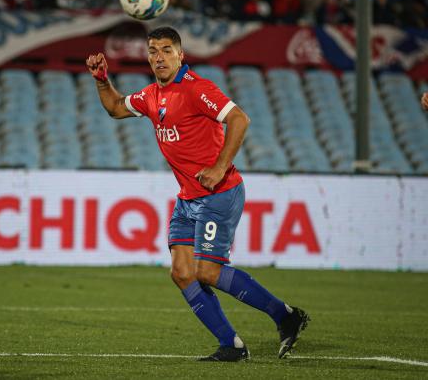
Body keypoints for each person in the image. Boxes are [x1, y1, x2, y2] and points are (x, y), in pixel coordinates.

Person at [86, 27, 309, 362]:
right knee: (181, 272)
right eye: (152, 50)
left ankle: (285, 316)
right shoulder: (151, 95)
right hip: (188, 199)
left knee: (206, 271)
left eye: (165, 49)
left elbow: (239, 119)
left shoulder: (195, 89)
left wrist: (220, 167)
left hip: (219, 193)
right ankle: (231, 346)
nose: (158, 56)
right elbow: (116, 107)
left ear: (181, 54)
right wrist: (102, 79)